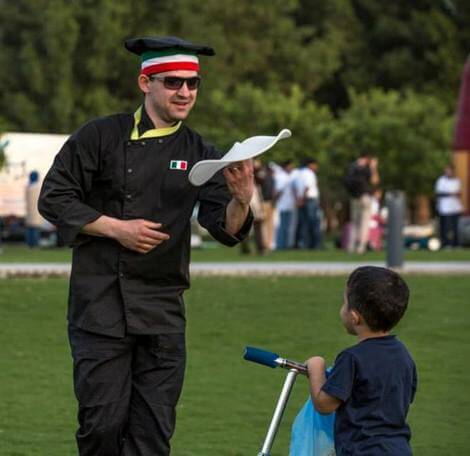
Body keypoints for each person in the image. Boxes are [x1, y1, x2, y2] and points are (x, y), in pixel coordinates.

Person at [38, 36, 254, 456]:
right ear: (145, 83)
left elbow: (225, 229)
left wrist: (242, 201)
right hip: (100, 308)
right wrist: (117, 229)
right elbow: (54, 198)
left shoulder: (200, 152)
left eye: (192, 84)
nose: (185, 92)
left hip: (162, 313)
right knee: (101, 426)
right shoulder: (99, 136)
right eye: (173, 82)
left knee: (153, 436)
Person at [307, 266, 417, 455]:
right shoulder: (404, 356)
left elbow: (325, 404)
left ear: (354, 317)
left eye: (344, 303)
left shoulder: (352, 358)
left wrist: (316, 367)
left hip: (362, 450)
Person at [344, 153, 380, 254]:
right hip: (365, 197)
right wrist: (373, 167)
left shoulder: (353, 167)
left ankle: (351, 246)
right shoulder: (367, 168)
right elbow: (375, 181)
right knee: (364, 222)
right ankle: (361, 246)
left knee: (355, 222)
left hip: (354, 197)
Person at [293, 158, 321, 249]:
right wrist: (302, 198)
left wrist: (298, 199)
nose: (316, 167)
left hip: (301, 200)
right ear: (310, 164)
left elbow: (294, 187)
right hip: (309, 199)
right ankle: (315, 244)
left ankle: (303, 243)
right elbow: (307, 187)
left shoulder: (298, 173)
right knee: (313, 221)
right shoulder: (309, 173)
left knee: (303, 223)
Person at [435, 165, 463, 248]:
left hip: (455, 208)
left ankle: (455, 243)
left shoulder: (457, 181)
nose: (449, 172)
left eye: (450, 171)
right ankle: (446, 243)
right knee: (445, 227)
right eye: (447, 171)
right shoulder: (441, 180)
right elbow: (439, 193)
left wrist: (455, 194)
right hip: (445, 208)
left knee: (455, 227)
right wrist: (450, 194)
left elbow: (459, 193)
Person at [274, 159, 296, 249]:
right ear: (286, 166)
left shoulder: (287, 176)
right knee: (284, 226)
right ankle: (282, 245)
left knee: (286, 226)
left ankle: (285, 244)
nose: (292, 168)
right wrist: (275, 201)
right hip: (283, 205)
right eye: (290, 166)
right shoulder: (282, 177)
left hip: (288, 204)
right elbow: (278, 191)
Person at [25, 170, 45, 248]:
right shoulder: (38, 187)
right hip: (36, 211)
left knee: (30, 228)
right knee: (35, 229)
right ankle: (35, 244)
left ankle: (30, 244)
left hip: (30, 211)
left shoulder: (28, 186)